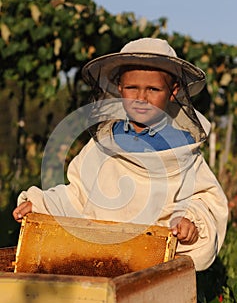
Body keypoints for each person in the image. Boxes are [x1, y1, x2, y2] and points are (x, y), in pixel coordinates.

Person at [13, 38, 228, 271]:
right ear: (119, 87)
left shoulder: (182, 150)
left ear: (173, 90)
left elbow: (205, 199)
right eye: (132, 88)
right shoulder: (103, 144)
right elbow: (78, 195)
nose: (141, 98)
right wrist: (42, 203)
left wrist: (191, 222)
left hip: (155, 263)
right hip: (97, 257)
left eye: (153, 89)